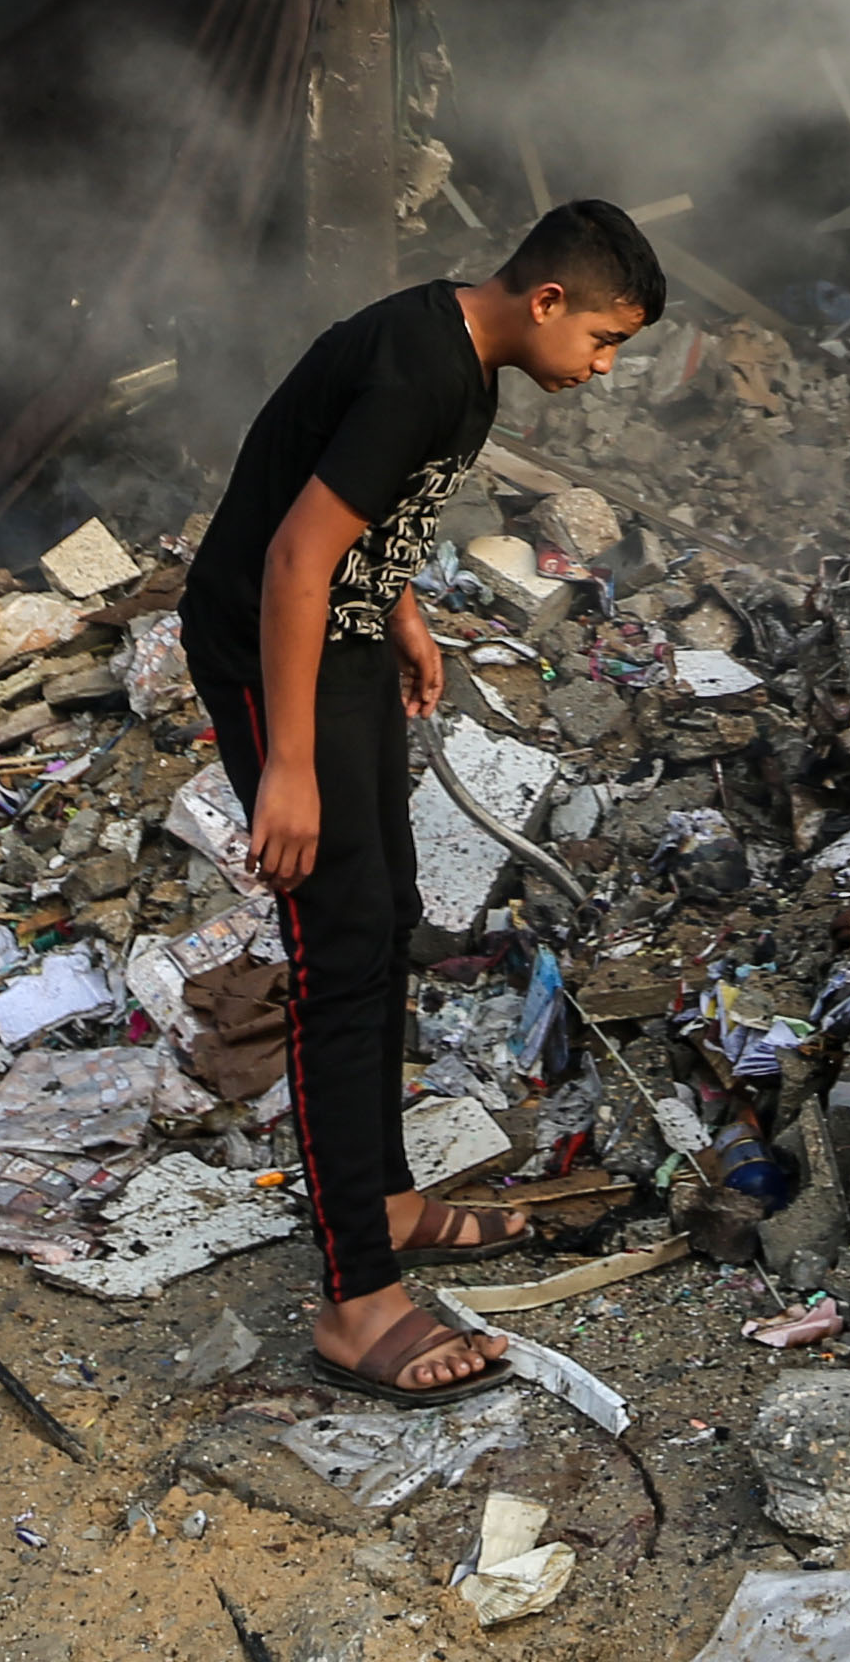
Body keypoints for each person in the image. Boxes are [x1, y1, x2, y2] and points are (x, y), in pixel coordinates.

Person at [186, 198, 665, 1405]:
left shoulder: (468, 367)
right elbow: (296, 557)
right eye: (604, 341)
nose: (602, 369)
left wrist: (397, 610)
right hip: (265, 652)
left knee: (386, 913)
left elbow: (360, 519)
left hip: (337, 642)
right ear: (547, 299)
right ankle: (356, 1303)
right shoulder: (419, 365)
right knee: (337, 945)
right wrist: (286, 766)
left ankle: (385, 1197)